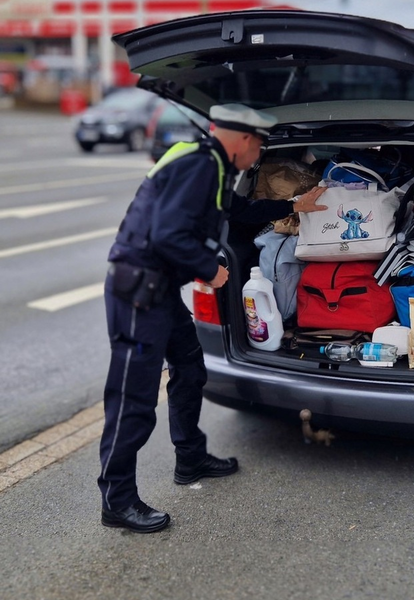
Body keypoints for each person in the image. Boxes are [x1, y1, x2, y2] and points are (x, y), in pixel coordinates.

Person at [99, 103, 327, 533]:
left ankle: (190, 458)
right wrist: (210, 268)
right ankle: (117, 500)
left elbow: (237, 211)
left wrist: (297, 202)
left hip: (159, 289)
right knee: (133, 399)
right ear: (243, 140)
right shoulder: (198, 165)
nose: (258, 151)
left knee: (189, 368)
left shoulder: (213, 165)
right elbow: (168, 235)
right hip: (138, 295)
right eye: (258, 143)